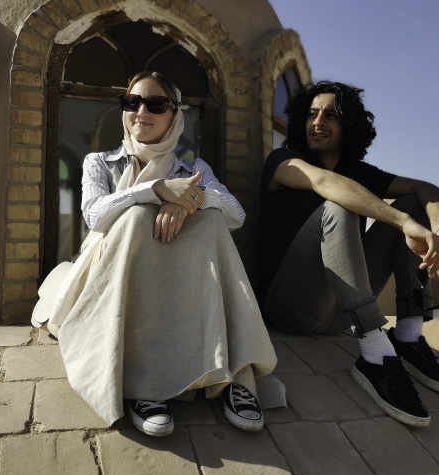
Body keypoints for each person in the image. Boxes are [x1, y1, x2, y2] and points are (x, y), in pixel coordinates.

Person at [34, 71, 277, 437]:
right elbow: (95, 215)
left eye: (156, 104)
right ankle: (141, 384)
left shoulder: (193, 169)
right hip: (115, 268)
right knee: (133, 217)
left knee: (212, 222)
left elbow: (235, 214)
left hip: (179, 271)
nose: (141, 112)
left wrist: (188, 201)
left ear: (174, 114)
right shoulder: (99, 162)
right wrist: (156, 189)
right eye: (132, 103)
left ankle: (236, 377)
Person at [260, 81, 439, 427]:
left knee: (412, 202)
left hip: (341, 313)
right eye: (312, 114)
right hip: (290, 309)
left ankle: (407, 336)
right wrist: (402, 222)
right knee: (341, 207)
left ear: (350, 125)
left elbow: (426, 189)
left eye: (331, 115)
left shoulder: (359, 173)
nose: (318, 122)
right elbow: (325, 183)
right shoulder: (284, 161)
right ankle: (375, 356)